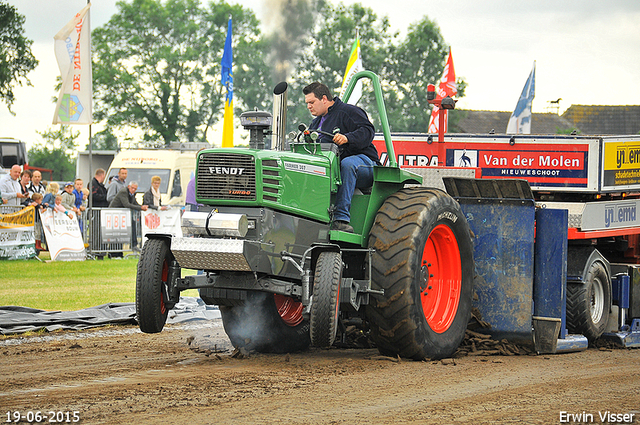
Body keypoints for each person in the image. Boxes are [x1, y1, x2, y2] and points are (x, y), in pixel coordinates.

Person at [303, 81, 379, 233]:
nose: (309, 106)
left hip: (364, 162)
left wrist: (348, 138)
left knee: (348, 164)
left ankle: (341, 219)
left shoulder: (348, 112)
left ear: (324, 99)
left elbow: (368, 131)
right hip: (335, 169)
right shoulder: (315, 124)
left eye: (312, 102)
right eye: (307, 103)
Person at [109, 181, 148, 251]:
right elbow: (127, 204)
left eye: (135, 189)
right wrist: (140, 208)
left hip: (123, 215)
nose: (133, 190)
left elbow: (135, 203)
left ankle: (134, 245)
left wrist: (142, 207)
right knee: (117, 232)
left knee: (133, 225)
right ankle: (114, 251)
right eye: (132, 188)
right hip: (116, 214)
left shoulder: (132, 194)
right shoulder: (123, 192)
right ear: (128, 187)